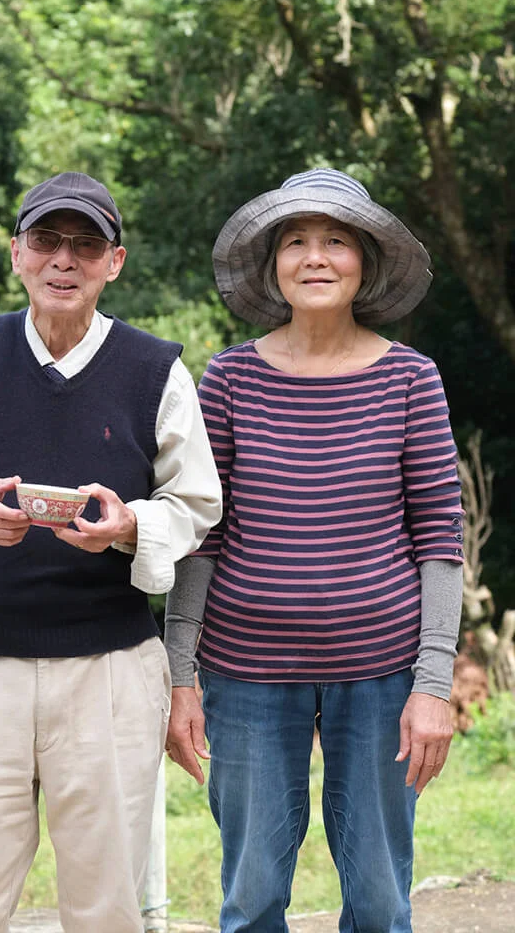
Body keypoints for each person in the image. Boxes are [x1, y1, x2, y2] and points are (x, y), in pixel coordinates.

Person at [0, 170, 222, 933]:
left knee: (106, 906)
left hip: (106, 672)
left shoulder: (154, 368)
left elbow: (197, 503)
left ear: (115, 261)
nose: (63, 260)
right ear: (16, 254)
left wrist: (130, 526)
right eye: (46, 241)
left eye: (85, 244)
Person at [164, 168, 464, 933]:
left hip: (383, 675)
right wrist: (180, 676)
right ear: (273, 266)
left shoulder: (410, 379)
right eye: (295, 242)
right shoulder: (229, 377)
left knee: (378, 899)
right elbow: (201, 535)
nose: (315, 257)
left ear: (365, 261)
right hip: (246, 675)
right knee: (253, 894)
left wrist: (432, 684)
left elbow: (439, 539)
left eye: (335, 240)